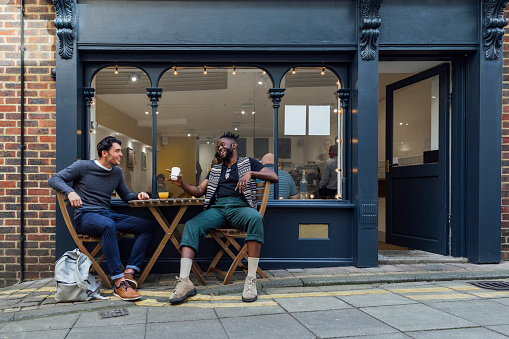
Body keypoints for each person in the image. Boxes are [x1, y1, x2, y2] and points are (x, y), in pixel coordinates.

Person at [166, 132, 278, 304]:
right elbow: (198, 191)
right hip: (217, 209)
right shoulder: (216, 169)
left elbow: (274, 176)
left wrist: (251, 174)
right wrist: (182, 184)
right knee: (191, 225)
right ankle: (184, 282)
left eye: (222, 144)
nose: (219, 147)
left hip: (239, 207)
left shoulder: (248, 162)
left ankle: (250, 280)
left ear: (233, 146)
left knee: (255, 219)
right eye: (218, 146)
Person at [48, 136, 155, 301]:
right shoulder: (83, 166)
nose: (121, 154)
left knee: (147, 226)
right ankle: (119, 283)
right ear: (105, 153)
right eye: (117, 151)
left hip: (106, 214)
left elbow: (126, 196)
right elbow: (54, 178)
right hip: (86, 216)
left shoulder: (117, 172)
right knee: (108, 225)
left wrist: (139, 195)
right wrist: (70, 191)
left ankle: (129, 271)